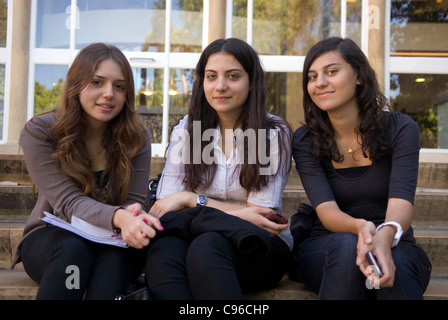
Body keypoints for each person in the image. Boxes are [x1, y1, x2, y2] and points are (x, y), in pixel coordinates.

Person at [11, 43, 163, 299]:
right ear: (76, 84)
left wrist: (130, 217)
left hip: (115, 241)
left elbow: (134, 202)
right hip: (54, 242)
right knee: (74, 249)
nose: (108, 94)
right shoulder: (41, 132)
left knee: (115, 258)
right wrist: (120, 216)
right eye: (97, 82)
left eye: (119, 86)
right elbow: (68, 202)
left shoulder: (136, 136)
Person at [145, 38, 293, 300]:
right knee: (166, 248)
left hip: (259, 248)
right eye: (211, 76)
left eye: (233, 76)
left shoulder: (270, 133)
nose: (220, 86)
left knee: (207, 245)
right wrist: (241, 213)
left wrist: (191, 199)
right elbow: (166, 206)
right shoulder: (189, 130)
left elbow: (262, 217)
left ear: (251, 81)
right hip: (196, 244)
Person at [291, 37, 432, 299]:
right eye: (312, 76)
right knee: (346, 247)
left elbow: (401, 203)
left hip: (396, 241)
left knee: (392, 261)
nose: (319, 82)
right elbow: (327, 211)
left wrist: (384, 236)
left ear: (358, 75)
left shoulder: (400, 129)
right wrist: (361, 229)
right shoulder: (305, 139)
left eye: (331, 71)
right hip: (329, 245)